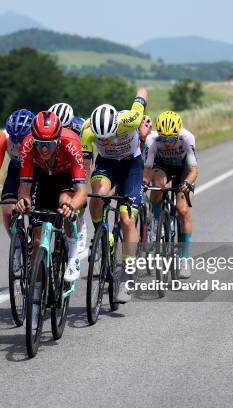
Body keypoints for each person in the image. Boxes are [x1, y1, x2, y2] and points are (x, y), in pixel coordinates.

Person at [80, 88, 148, 303]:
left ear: (117, 126)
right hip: (107, 165)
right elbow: (84, 167)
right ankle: (103, 234)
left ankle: (128, 276)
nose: (106, 141)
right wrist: (80, 191)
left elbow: (142, 93)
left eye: (109, 136)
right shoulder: (88, 131)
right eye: (102, 139)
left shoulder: (131, 118)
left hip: (131, 166)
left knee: (127, 219)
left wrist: (141, 94)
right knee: (97, 195)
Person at [15, 111, 88, 284]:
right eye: (40, 144)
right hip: (44, 177)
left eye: (49, 144)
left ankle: (72, 256)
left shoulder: (71, 142)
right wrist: (23, 201)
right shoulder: (28, 144)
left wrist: (72, 207)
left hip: (66, 176)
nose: (44, 149)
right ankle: (36, 297)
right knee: (38, 240)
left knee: (65, 203)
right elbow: (25, 188)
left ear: (59, 138)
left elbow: (82, 193)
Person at [143, 111, 198, 278]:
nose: (167, 143)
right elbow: (147, 170)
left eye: (171, 139)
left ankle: (185, 259)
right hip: (163, 166)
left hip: (183, 169)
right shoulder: (151, 140)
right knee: (157, 185)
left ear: (178, 133)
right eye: (163, 139)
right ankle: (156, 223)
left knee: (182, 210)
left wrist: (187, 183)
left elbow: (193, 171)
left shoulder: (187, 137)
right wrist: (144, 184)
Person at [0, 109, 35, 233]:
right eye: (14, 139)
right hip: (16, 171)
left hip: (36, 173)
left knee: (34, 213)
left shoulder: (38, 138)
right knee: (7, 211)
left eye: (22, 139)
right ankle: (17, 247)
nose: (18, 144)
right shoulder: (3, 138)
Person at [49, 102, 88, 253]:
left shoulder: (81, 128)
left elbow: (83, 163)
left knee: (78, 191)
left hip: (76, 159)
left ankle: (81, 221)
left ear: (71, 124)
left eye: (66, 127)